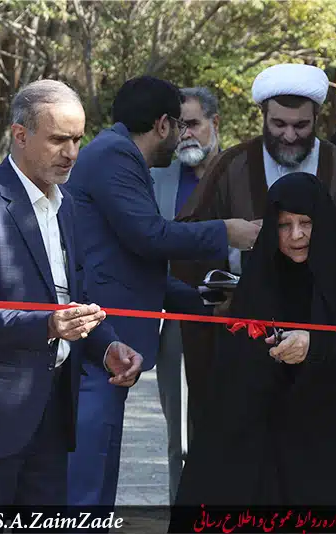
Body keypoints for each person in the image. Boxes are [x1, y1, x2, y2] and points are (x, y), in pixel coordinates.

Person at [0, 79, 142, 506]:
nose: (71, 153)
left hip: (52, 421)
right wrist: (49, 325)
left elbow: (75, 298)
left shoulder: (68, 206)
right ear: (20, 135)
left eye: (78, 139)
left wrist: (107, 346)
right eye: (58, 139)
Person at [65, 76, 258, 508]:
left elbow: (134, 265)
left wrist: (205, 300)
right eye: (180, 125)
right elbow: (149, 237)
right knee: (86, 482)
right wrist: (228, 232)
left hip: (110, 338)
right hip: (98, 339)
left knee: (99, 478)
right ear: (163, 124)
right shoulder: (115, 155)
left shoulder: (120, 154)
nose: (182, 136)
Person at [174, 172, 336, 512]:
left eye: (305, 223)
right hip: (275, 442)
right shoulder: (262, 279)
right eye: (284, 225)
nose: (296, 235)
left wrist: (317, 346)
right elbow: (236, 370)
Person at [172, 63, 336, 436]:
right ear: (263, 117)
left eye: (301, 126)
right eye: (279, 124)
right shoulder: (232, 164)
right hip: (244, 331)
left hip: (319, 337)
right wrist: (229, 234)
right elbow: (187, 237)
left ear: (317, 118)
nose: (289, 135)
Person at [151, 86, 222, 504]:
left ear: (215, 123)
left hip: (235, 319)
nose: (185, 134)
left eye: (193, 124)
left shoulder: (240, 173)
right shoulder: (157, 178)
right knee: (179, 438)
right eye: (179, 126)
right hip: (176, 322)